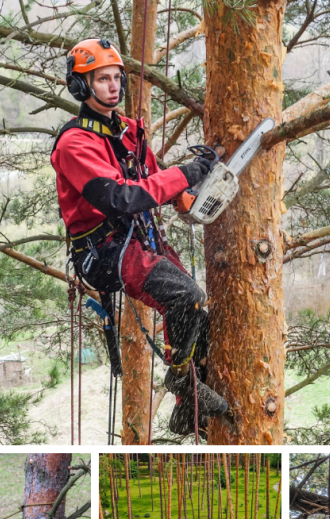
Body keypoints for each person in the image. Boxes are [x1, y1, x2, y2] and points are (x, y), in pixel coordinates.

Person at [50, 38, 229, 437]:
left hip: (141, 237)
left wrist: (190, 195)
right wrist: (185, 173)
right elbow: (120, 197)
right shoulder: (74, 143)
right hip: (104, 250)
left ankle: (187, 409)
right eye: (102, 79)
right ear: (82, 86)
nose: (113, 86)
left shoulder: (130, 132)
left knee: (201, 316)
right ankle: (181, 382)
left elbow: (151, 180)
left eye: (116, 78)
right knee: (188, 298)